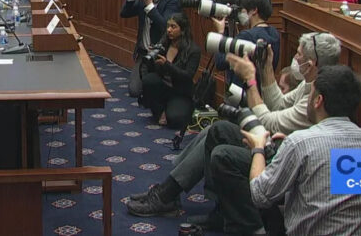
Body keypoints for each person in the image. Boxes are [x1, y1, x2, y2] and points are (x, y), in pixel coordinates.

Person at [127, 32, 341, 227]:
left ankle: (181, 199)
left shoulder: (312, 108)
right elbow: (279, 105)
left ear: (312, 66)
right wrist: (266, 67)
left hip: (282, 155)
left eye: (298, 55)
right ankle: (172, 194)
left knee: (223, 152)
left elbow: (269, 123)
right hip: (285, 148)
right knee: (218, 129)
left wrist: (250, 80)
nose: (295, 58)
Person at [242, 66, 361, 235]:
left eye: (310, 94)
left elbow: (259, 195)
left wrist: (258, 149)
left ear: (318, 100)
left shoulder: (300, 143)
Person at [120, 0, 180, 98]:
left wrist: (149, 5)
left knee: (153, 89)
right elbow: (124, 14)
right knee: (134, 91)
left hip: (161, 54)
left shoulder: (171, 1)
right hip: (143, 53)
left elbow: (166, 27)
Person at [211, 0, 280, 90]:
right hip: (264, 91)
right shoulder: (274, 33)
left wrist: (220, 33)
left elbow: (220, 62)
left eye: (241, 9)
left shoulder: (247, 36)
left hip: (243, 94)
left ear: (254, 10)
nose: (240, 13)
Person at [141, 13, 200, 129]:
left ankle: (170, 108)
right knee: (149, 80)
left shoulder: (193, 50)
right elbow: (151, 72)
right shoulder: (164, 44)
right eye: (168, 26)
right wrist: (152, 59)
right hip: (163, 87)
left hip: (180, 91)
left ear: (182, 30)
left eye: (173, 27)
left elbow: (187, 76)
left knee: (176, 120)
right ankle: (161, 109)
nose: (169, 30)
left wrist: (167, 65)